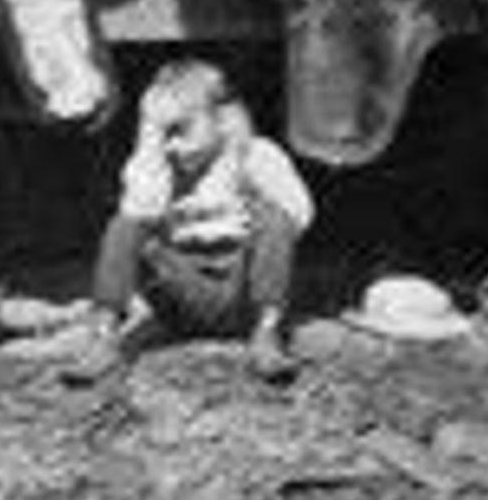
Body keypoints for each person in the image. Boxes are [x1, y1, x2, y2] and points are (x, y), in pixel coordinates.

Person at [62, 56, 312, 386]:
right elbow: (139, 212)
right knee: (125, 225)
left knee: (274, 218)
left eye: (179, 129)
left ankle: (267, 334)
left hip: (243, 291)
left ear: (223, 119)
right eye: (161, 132)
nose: (171, 144)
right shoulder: (157, 169)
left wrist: (244, 206)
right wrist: (150, 143)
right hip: (181, 293)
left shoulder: (254, 154)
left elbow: (298, 215)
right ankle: (103, 337)